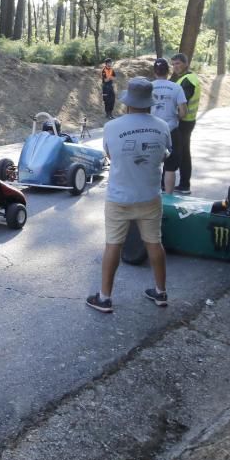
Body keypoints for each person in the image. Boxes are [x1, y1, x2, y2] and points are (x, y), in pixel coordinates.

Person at [86, 78, 172, 313]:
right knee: (155, 243)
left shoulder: (112, 127)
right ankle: (161, 293)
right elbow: (165, 155)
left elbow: (111, 156)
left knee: (113, 245)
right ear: (149, 102)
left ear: (127, 102)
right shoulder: (162, 126)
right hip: (150, 196)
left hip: (119, 197)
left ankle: (104, 298)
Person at [150, 57, 187, 195]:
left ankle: (151, 196)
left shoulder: (149, 87)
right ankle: (169, 199)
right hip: (171, 130)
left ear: (155, 72)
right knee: (170, 167)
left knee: (151, 166)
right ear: (168, 71)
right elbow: (183, 112)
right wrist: (176, 117)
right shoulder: (176, 87)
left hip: (152, 131)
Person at [169, 52, 201, 194]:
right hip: (188, 121)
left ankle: (183, 185)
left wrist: (173, 115)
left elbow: (183, 104)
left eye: (178, 63)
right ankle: (183, 185)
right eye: (173, 64)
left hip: (184, 122)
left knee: (180, 153)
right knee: (184, 152)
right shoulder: (186, 78)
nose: (175, 66)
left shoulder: (187, 80)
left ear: (186, 64)